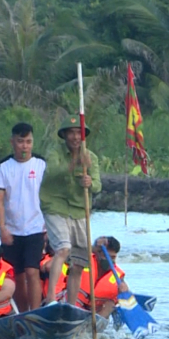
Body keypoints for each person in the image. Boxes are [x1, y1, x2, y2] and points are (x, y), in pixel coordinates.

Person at [40, 117, 102, 306]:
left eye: (79, 133)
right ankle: (51, 298)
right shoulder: (54, 153)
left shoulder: (91, 157)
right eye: (71, 133)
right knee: (63, 249)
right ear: (65, 135)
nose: (75, 137)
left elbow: (98, 185)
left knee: (80, 261)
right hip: (55, 206)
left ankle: (71, 304)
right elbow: (52, 173)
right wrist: (75, 161)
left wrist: (89, 182)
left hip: (80, 210)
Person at [0, 122, 47, 312]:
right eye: (20, 142)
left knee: (33, 271)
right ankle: (24, 313)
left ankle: (37, 311)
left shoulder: (41, 164)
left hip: (36, 227)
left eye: (28, 142)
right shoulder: (3, 166)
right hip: (12, 230)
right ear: (12, 142)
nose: (25, 146)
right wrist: (2, 228)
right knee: (16, 275)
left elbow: (49, 197)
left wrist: (48, 226)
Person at [76, 236, 129, 318]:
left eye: (113, 257)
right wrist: (94, 247)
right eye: (106, 256)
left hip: (98, 312)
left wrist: (125, 292)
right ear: (98, 253)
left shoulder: (118, 275)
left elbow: (126, 294)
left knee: (110, 304)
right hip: (77, 306)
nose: (109, 260)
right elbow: (73, 251)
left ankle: (93, 326)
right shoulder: (84, 260)